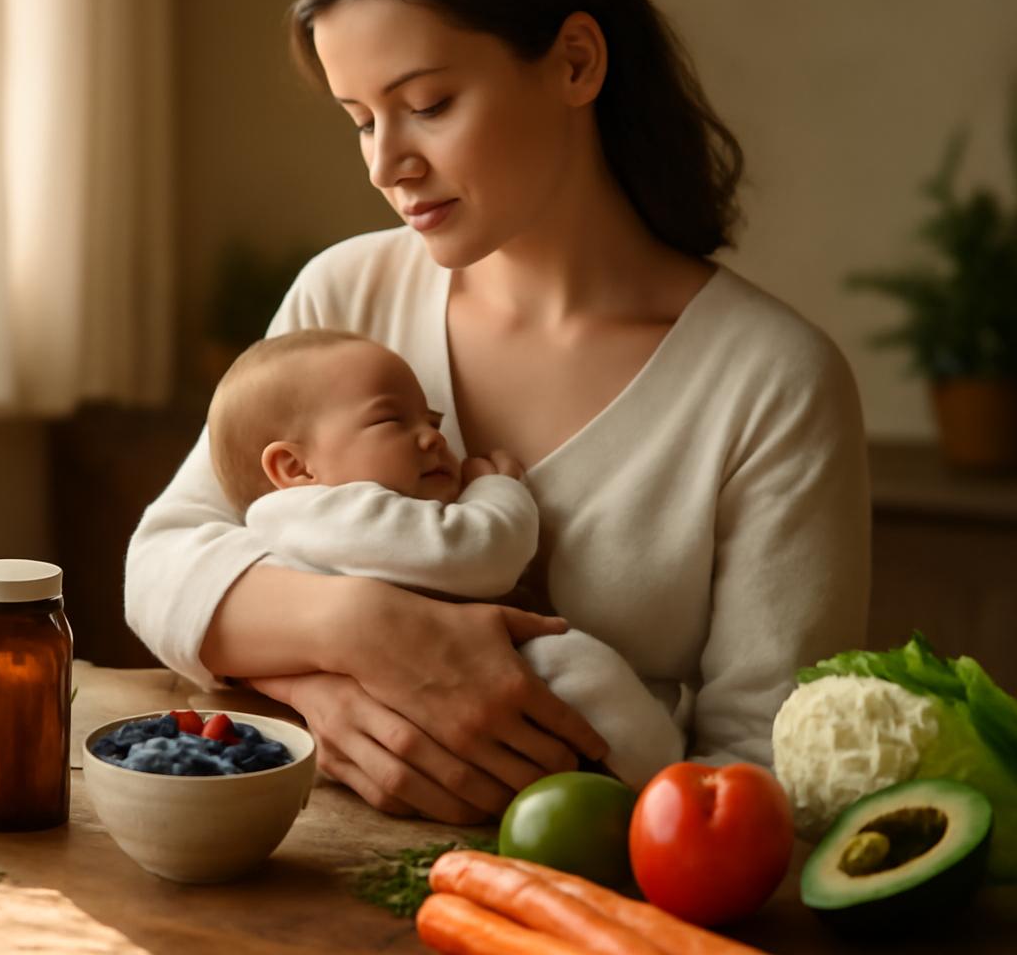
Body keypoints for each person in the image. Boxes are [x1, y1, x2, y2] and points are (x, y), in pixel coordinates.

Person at [126, 0, 870, 824]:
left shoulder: (772, 382)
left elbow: (765, 766)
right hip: (316, 855)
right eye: (361, 119)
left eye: (428, 104)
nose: (386, 164)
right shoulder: (345, 295)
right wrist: (355, 647)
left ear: (576, 62)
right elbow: (164, 564)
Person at [207, 327, 685, 787]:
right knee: (575, 661)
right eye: (390, 421)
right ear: (295, 467)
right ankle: (663, 773)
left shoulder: (294, 527)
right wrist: (498, 489)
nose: (434, 437)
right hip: (438, 693)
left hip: (407, 711)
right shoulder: (332, 512)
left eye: (432, 422)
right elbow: (479, 553)